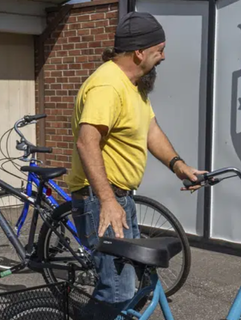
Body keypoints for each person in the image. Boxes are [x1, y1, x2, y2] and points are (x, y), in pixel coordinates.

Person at [65, 12, 205, 308]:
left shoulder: (134, 86)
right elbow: (86, 142)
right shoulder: (107, 86)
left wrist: (179, 166)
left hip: (120, 199)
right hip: (101, 200)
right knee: (116, 293)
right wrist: (107, 201)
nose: (163, 57)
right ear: (139, 52)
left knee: (131, 288)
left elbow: (151, 130)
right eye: (159, 50)